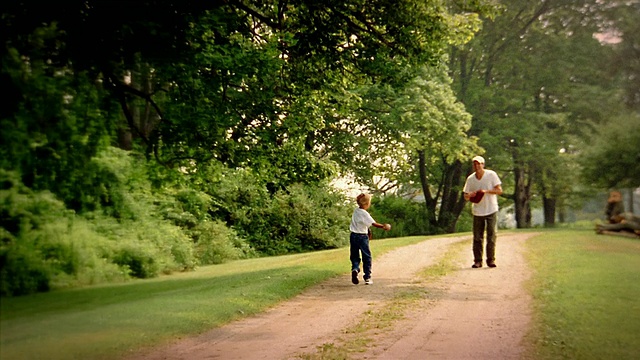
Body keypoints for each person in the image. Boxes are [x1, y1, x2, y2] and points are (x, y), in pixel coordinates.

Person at [463, 155, 503, 268]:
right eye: (475, 164)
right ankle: (478, 260)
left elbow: (499, 190)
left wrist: (486, 191)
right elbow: (465, 196)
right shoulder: (471, 179)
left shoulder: (491, 175)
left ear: (483, 165)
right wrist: (470, 195)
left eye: (479, 163)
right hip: (477, 210)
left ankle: (491, 260)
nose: (477, 166)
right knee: (477, 237)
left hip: (491, 209)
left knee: (491, 236)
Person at [349, 193, 391, 285]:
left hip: (353, 236)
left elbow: (362, 224)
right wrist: (383, 226)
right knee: (366, 256)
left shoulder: (356, 211)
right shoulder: (365, 213)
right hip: (362, 237)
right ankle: (367, 277)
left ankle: (355, 269)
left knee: (355, 255)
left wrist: (368, 231)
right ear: (367, 204)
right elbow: (373, 223)